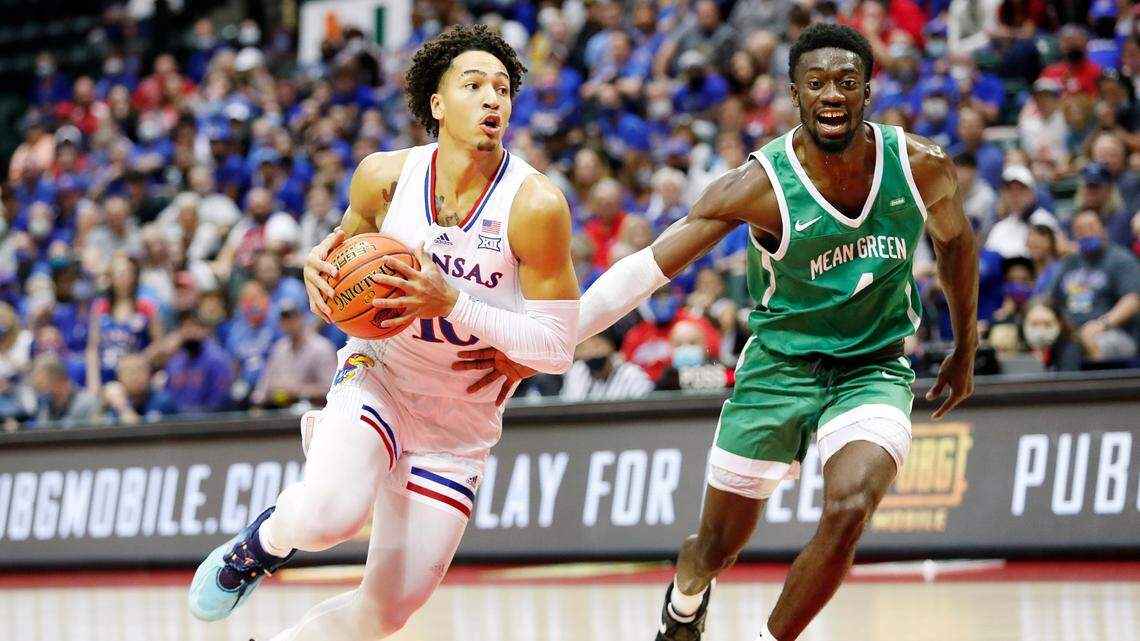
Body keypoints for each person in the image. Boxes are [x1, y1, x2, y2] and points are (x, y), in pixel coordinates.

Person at [458, 24, 978, 641]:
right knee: (714, 547)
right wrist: (549, 341)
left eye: (846, 81)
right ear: (794, 94)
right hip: (778, 370)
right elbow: (647, 269)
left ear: (868, 91)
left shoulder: (922, 166)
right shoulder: (757, 186)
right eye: (816, 84)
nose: (831, 94)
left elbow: (956, 244)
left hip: (873, 366)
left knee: (847, 511)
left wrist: (966, 345)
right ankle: (685, 600)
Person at [187, 25, 581, 641]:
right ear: (436, 103)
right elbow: (340, 267)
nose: (492, 100)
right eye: (473, 85)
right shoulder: (382, 177)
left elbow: (557, 350)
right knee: (326, 518)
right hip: (382, 376)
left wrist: (452, 303)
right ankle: (258, 545)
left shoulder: (535, 205)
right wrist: (319, 274)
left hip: (461, 422)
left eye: (503, 88)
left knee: (387, 612)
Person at [1049, 209, 1140, 362]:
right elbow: (1050, 301)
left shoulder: (1120, 259)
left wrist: (1101, 324)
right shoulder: (1068, 263)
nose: (1086, 233)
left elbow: (1132, 301)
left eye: (1091, 227)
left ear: (1103, 229)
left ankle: (1097, 385)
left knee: (1091, 339)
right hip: (1069, 331)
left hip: (1112, 332)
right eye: (1080, 230)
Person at [560, 328, 655, 401]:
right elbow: (566, 405)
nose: (591, 354)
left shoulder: (632, 374)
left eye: (597, 347)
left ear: (610, 346)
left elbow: (644, 407)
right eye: (584, 349)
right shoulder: (577, 371)